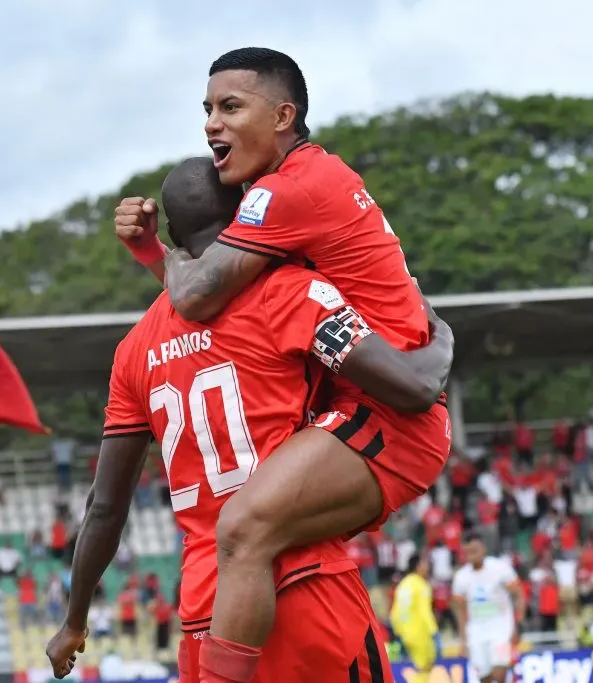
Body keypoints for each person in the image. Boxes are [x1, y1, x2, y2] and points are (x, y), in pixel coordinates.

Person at [113, 47, 454, 665]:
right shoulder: (309, 184)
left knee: (243, 529)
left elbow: (193, 295)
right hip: (369, 401)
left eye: (230, 106)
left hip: (388, 415)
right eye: (207, 109)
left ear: (282, 116)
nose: (212, 122)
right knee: (260, 538)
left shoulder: (284, 193)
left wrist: (154, 250)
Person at [47, 157, 447, 682]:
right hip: (302, 584)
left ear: (171, 233)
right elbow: (400, 382)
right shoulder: (289, 292)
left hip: (206, 610)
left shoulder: (134, 353)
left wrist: (74, 621)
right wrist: (441, 338)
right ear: (248, 216)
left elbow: (104, 506)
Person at [451, 532, 526, 683]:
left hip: (501, 628)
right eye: (468, 552)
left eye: (475, 551)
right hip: (476, 631)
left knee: (499, 673)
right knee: (484, 677)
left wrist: (519, 623)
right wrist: (463, 640)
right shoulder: (461, 577)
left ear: (483, 549)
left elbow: (519, 594)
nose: (471, 555)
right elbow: (459, 610)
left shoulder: (500, 568)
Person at [391, 554, 438, 683]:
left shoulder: (403, 584)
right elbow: (425, 611)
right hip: (420, 632)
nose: (427, 566)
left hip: (406, 633)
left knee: (418, 668)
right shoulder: (421, 585)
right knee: (425, 668)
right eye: (424, 563)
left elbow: (395, 612)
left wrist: (399, 631)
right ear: (417, 567)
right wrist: (433, 631)